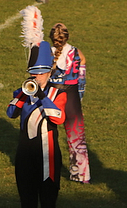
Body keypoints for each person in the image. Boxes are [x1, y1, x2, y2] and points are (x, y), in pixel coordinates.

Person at [7, 6, 68, 208]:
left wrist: (42, 95)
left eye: (41, 73)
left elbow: (58, 118)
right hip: (24, 155)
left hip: (48, 157)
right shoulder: (22, 92)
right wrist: (24, 93)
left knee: (48, 202)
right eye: (33, 73)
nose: (36, 77)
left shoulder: (58, 94)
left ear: (49, 72)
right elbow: (10, 113)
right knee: (27, 201)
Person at [48, 22, 90, 183]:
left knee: (47, 137)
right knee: (77, 140)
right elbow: (81, 81)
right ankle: (81, 175)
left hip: (52, 97)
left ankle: (47, 171)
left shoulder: (46, 53)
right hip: (72, 97)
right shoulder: (78, 53)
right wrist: (79, 101)